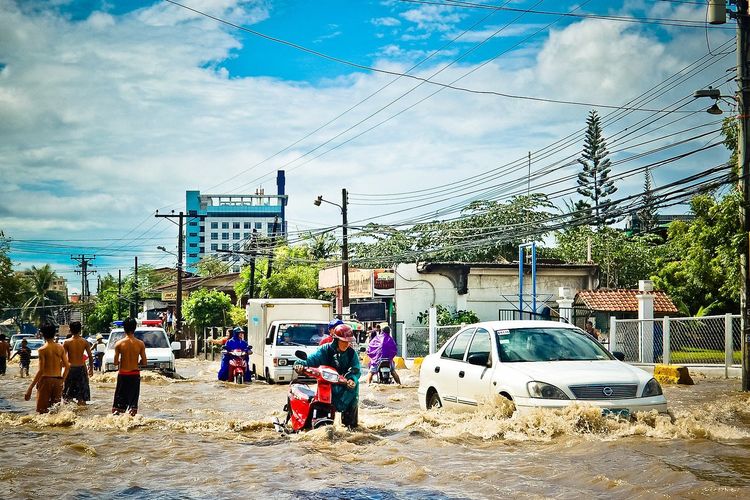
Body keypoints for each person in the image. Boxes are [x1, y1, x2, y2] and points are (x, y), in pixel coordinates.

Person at [294, 323, 360, 429]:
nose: (346, 344)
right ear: (336, 339)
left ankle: (351, 426)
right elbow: (311, 360)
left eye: (348, 342)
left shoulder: (352, 354)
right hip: (328, 384)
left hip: (345, 384)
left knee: (352, 417)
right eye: (343, 341)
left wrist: (352, 379)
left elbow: (356, 369)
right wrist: (300, 364)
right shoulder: (325, 350)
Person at [25, 324, 69, 413]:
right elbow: (67, 366)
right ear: (54, 334)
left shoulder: (42, 349)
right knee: (55, 411)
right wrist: (62, 380)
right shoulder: (60, 347)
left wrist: (30, 388)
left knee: (41, 411)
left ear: (43, 334)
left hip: (46, 380)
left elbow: (41, 370)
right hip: (58, 380)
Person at [111, 317, 147, 416]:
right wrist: (136, 363)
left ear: (124, 328)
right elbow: (144, 362)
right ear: (135, 328)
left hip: (123, 375)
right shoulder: (140, 344)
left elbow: (115, 363)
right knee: (133, 406)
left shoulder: (119, 344)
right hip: (134, 375)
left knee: (118, 407)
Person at [62, 321, 93, 405]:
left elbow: (63, 358)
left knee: (67, 397)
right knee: (82, 398)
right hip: (81, 369)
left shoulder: (66, 342)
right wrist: (91, 369)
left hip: (70, 369)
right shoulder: (84, 342)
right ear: (80, 330)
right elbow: (90, 356)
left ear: (70, 330)